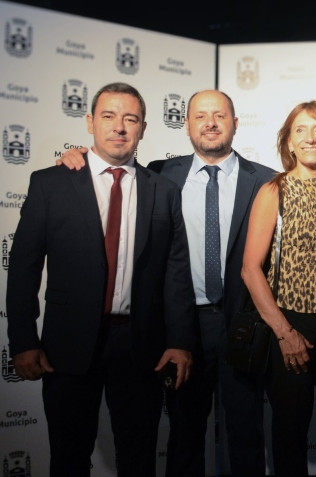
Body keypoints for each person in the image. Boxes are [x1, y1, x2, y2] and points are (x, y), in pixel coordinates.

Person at [57, 89, 275, 477]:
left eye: (220, 116)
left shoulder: (266, 181)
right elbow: (110, 166)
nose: (210, 124)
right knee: (184, 433)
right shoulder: (159, 174)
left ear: (235, 123)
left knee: (246, 432)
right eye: (200, 116)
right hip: (181, 327)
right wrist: (75, 157)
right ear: (186, 125)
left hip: (244, 324)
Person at [6, 82, 195, 477]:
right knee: (69, 458)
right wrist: (23, 340)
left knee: (139, 459)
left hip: (141, 345)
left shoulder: (163, 191)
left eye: (131, 119)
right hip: (67, 344)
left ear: (143, 128)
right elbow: (23, 267)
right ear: (91, 122)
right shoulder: (50, 183)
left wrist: (178, 340)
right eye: (109, 116)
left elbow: (176, 273)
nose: (119, 127)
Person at [241, 100, 316, 477]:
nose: (310, 138)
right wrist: (284, 333)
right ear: (289, 143)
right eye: (301, 130)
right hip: (289, 322)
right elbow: (250, 269)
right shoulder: (274, 190)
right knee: (290, 428)